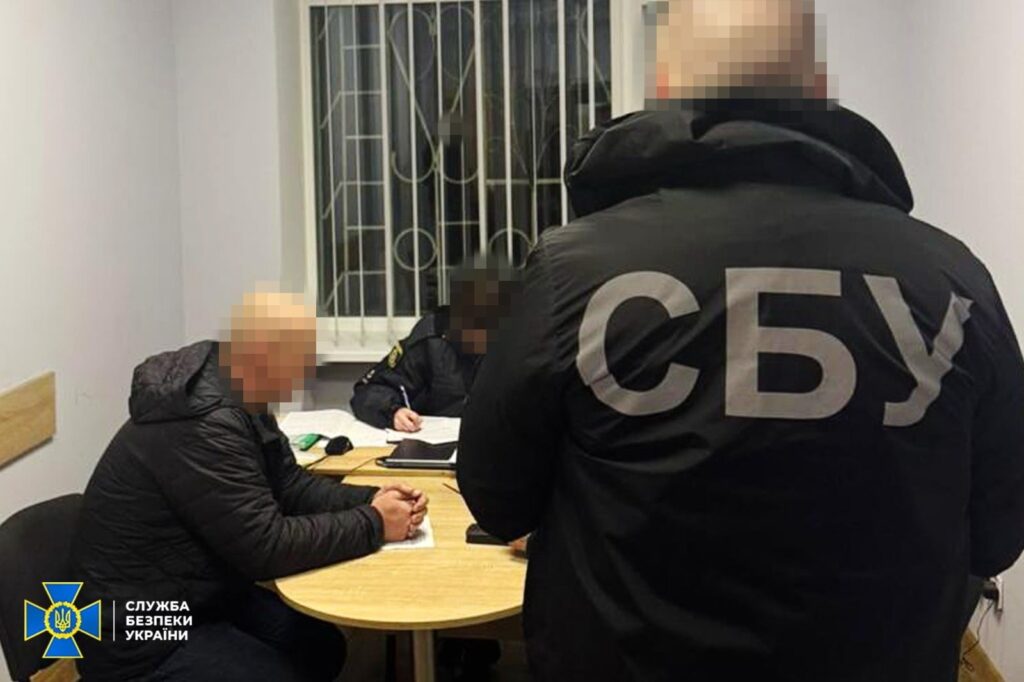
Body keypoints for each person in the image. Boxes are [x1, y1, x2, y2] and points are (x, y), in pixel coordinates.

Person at [457, 2, 1024, 681]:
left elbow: (497, 499)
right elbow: (999, 531)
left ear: (664, 88)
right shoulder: (952, 278)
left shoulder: (574, 270)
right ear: (818, 89)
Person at [72, 291, 428, 681]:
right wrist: (374, 523)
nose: (304, 373)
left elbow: (289, 487)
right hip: (137, 629)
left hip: (198, 593)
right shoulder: (207, 422)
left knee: (321, 647)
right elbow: (266, 547)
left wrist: (372, 498)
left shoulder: (238, 388)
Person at [351, 255, 516, 431]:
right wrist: (393, 412)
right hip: (437, 440)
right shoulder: (431, 338)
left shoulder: (520, 338)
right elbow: (370, 390)